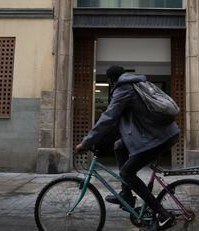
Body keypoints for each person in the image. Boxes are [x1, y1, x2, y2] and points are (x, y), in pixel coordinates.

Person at [75, 65, 180, 230]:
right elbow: (120, 121)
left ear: (111, 80)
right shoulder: (134, 84)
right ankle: (127, 195)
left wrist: (86, 142)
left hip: (159, 137)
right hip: (160, 134)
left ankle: (162, 214)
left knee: (127, 172)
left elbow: (108, 117)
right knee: (118, 146)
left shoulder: (124, 89)